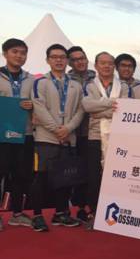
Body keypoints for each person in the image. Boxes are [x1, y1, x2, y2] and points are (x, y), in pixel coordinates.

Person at [30, 44, 84, 232]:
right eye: (54, 57)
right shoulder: (40, 83)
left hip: (69, 138)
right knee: (41, 178)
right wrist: (56, 130)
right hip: (46, 139)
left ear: (67, 60)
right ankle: (37, 215)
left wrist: (68, 128)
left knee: (65, 178)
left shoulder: (76, 85)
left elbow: (81, 110)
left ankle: (61, 213)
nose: (59, 60)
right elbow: (39, 108)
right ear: (48, 60)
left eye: (62, 57)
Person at [82, 52, 131, 225]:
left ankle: (115, 214)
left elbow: (125, 108)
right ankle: (94, 211)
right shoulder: (90, 85)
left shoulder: (123, 86)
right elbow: (88, 106)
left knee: (116, 175)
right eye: (102, 63)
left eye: (110, 63)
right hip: (95, 135)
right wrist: (112, 103)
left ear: (114, 66)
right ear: (96, 66)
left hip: (118, 135)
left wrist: (99, 109)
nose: (106, 66)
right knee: (94, 175)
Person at [0, 38, 34, 230]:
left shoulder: (31, 79)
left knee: (21, 175)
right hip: (1, 135)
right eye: (15, 52)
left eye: (23, 53)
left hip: (24, 134)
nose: (19, 56)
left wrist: (32, 105)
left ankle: (17, 214)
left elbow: (39, 103)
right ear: (5, 54)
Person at [67, 46, 96, 223]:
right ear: (70, 63)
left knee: (91, 172)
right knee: (75, 173)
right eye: (76, 59)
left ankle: (92, 207)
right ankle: (77, 207)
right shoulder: (66, 80)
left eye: (82, 58)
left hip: (92, 133)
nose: (80, 62)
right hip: (72, 134)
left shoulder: (97, 78)